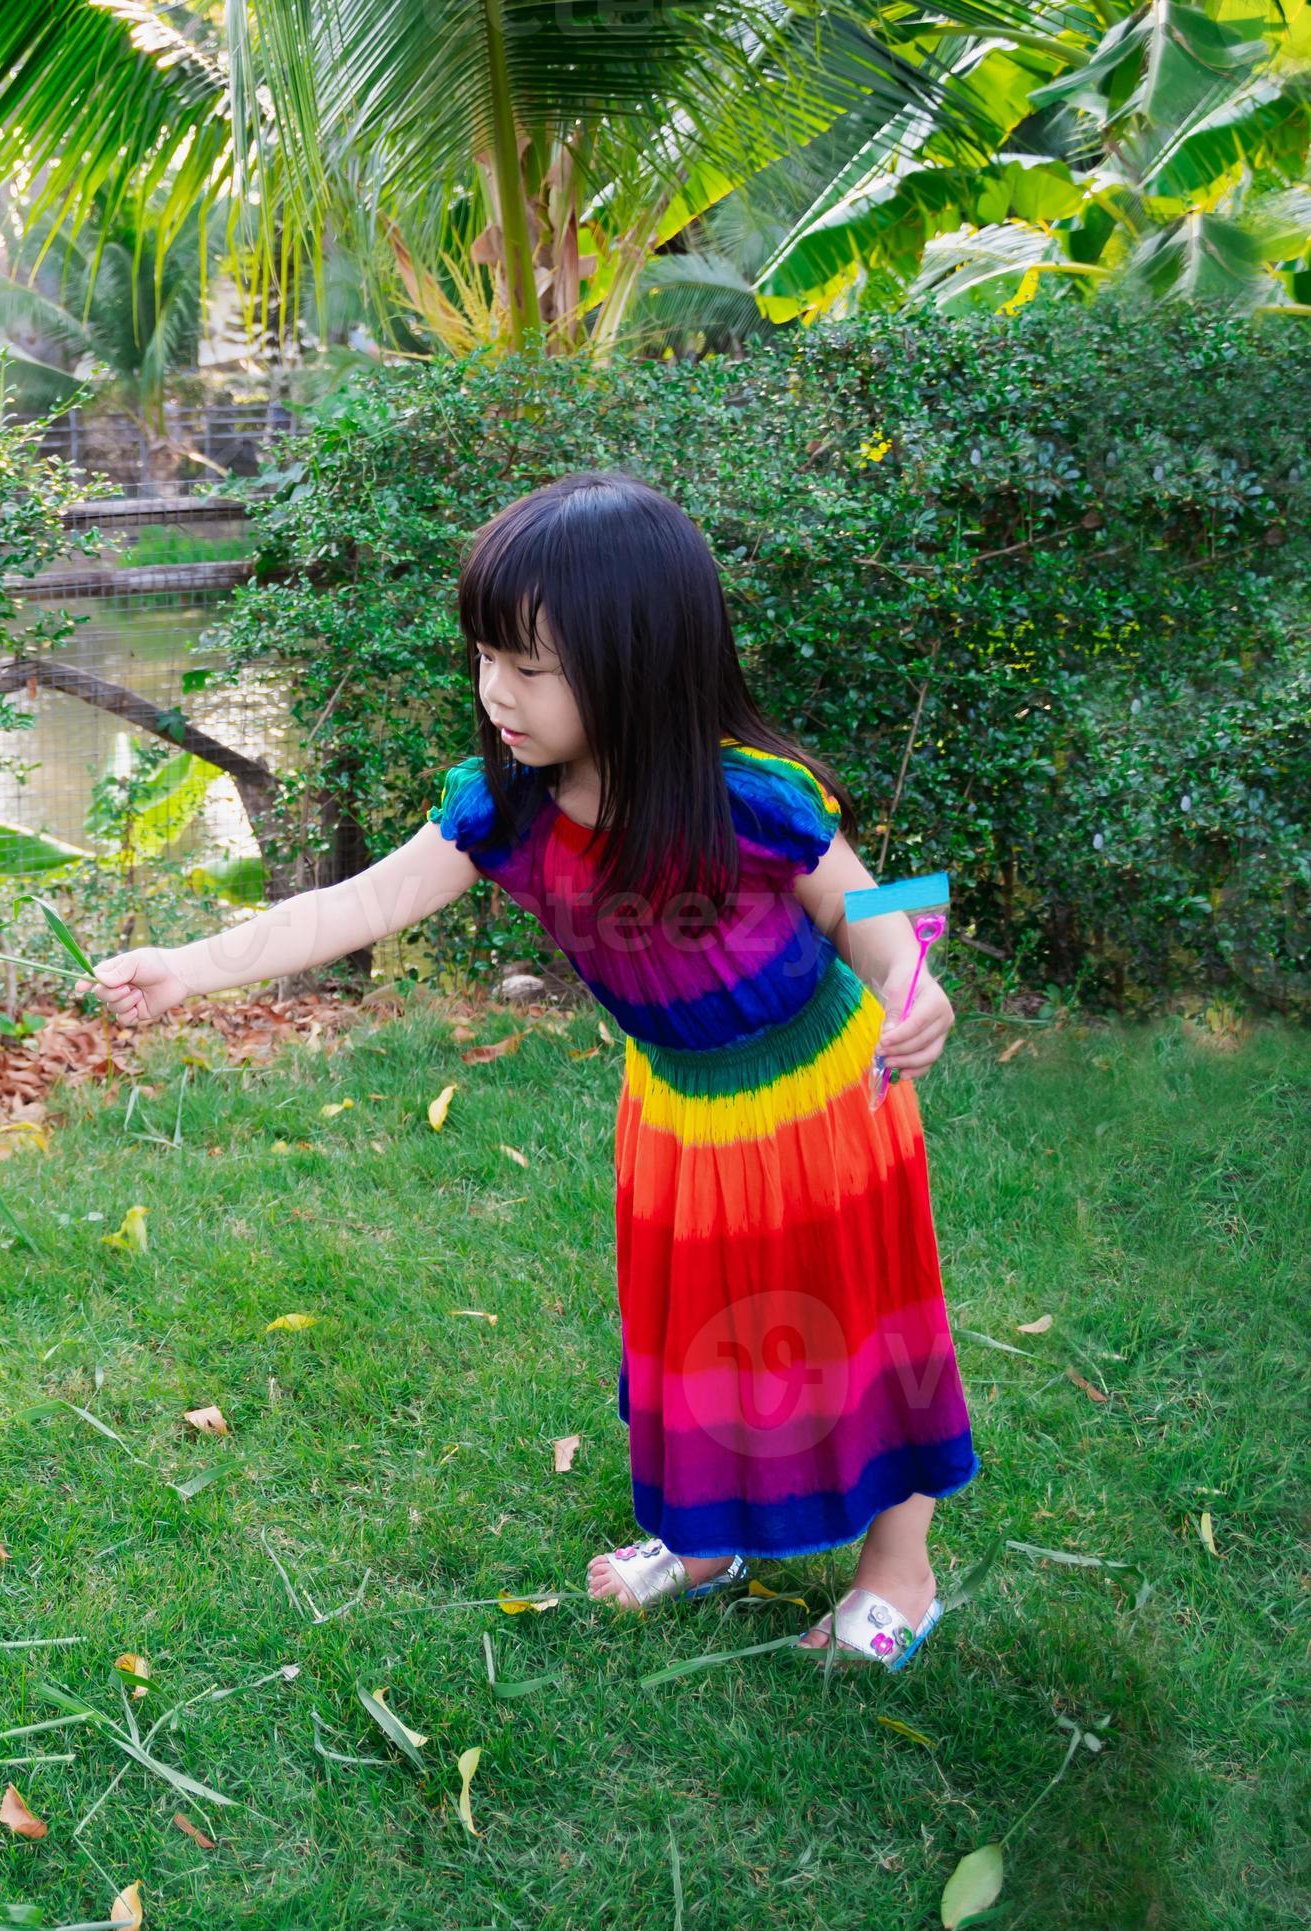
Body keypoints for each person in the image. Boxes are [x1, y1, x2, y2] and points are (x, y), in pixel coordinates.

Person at [91, 472, 977, 1670]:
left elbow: (869, 909)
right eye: (486, 656)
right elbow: (356, 904)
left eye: (530, 665)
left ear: (640, 661)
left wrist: (909, 988)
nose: (495, 691)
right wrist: (190, 965)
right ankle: (706, 1534)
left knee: (858, 1328)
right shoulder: (505, 810)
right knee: (696, 1329)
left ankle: (900, 1570)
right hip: (676, 1105)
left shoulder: (745, 795)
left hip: (824, 1098)